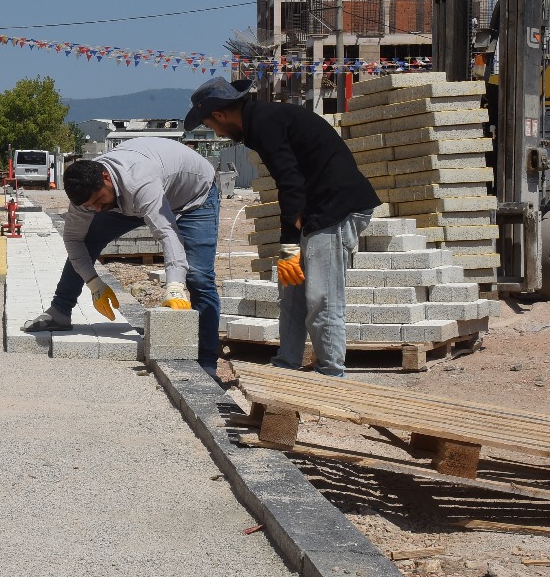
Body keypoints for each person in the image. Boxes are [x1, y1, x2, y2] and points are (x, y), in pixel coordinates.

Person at [185, 77, 379, 378]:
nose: (217, 132)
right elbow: (289, 186)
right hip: (317, 210)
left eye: (212, 126)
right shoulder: (262, 121)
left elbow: (290, 183)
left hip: (337, 209)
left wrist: (289, 243)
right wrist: (288, 247)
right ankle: (286, 364)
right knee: (291, 290)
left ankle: (332, 376)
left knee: (321, 297)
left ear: (220, 115)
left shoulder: (265, 123)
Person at [20, 136, 222, 375]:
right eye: (89, 206)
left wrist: (175, 285)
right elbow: (73, 240)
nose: (95, 209)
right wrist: (94, 284)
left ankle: (207, 362)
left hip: (193, 197)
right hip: (127, 196)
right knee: (87, 240)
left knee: (199, 276)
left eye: (97, 201)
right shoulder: (89, 196)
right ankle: (60, 312)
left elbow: (167, 233)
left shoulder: (139, 181)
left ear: (106, 178)